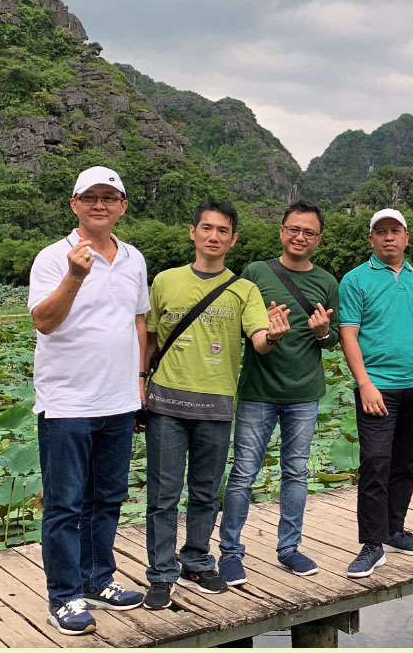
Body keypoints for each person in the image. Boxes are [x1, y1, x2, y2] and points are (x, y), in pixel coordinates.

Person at [142, 202, 291, 610]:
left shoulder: (244, 289)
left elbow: (259, 340)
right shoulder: (166, 281)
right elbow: (150, 338)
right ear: (193, 233)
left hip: (216, 405)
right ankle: (160, 572)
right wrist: (140, 382)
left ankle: (195, 560)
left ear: (233, 239)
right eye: (206, 228)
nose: (213, 236)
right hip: (166, 404)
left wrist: (274, 335)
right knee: (163, 493)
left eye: (222, 231)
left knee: (206, 492)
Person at [28, 166, 148, 635]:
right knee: (64, 504)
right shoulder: (53, 258)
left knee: (108, 498)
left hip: (118, 400)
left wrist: (139, 381)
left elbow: (139, 321)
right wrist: (76, 276)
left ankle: (99, 579)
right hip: (67, 403)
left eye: (109, 197)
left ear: (121, 206)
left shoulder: (134, 258)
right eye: (90, 197)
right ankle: (65, 596)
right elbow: (44, 321)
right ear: (74, 204)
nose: (100, 204)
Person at [217, 200, 340, 587]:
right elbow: (236, 326)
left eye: (309, 232)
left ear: (318, 239)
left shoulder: (327, 282)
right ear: (282, 230)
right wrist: (266, 331)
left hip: (304, 393)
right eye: (294, 229)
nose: (300, 237)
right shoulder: (254, 273)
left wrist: (322, 331)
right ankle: (231, 553)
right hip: (258, 391)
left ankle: (289, 548)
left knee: (296, 472)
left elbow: (332, 340)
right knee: (243, 474)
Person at [338, 208, 413, 578]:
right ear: (371, 239)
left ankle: (393, 529)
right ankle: (371, 544)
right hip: (378, 387)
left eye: (395, 231)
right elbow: (348, 335)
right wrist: (365, 384)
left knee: (406, 462)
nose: (389, 237)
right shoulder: (355, 280)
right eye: (381, 232)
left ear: (406, 237)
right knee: (375, 462)